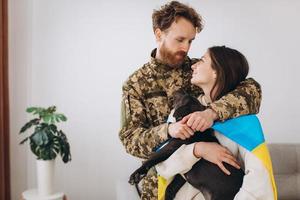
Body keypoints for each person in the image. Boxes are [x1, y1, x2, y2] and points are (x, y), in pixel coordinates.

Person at [119, 1, 262, 199]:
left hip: (208, 184)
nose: (186, 47)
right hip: (162, 185)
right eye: (180, 40)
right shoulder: (135, 84)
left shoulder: (199, 69)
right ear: (159, 34)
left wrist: (211, 113)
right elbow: (130, 140)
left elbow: (252, 90)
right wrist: (168, 130)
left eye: (190, 41)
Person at [156, 46, 274, 200]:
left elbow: (258, 179)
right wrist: (197, 150)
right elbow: (163, 166)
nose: (193, 65)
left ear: (216, 71)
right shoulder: (181, 111)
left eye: (202, 60)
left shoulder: (245, 122)